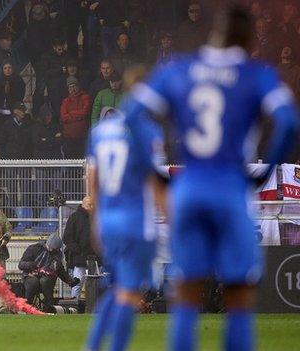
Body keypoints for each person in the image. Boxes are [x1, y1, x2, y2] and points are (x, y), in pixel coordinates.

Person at [122, 5, 299, 350]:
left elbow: (131, 115)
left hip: (189, 190)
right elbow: (288, 121)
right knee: (238, 294)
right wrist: (266, 171)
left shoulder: (178, 69)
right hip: (231, 188)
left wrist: (157, 177)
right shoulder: (255, 73)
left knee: (187, 291)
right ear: (247, 37)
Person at [84, 71, 165, 351]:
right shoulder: (146, 131)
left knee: (118, 289)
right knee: (130, 294)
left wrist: (96, 219)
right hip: (134, 221)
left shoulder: (100, 131)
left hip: (109, 221)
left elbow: (91, 175)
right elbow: (154, 181)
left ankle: (93, 346)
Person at [18, 233, 80, 313]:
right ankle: (27, 307)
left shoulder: (57, 255)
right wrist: (31, 265)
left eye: (55, 249)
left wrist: (70, 281)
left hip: (47, 279)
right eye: (51, 248)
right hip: (30, 276)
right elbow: (21, 265)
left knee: (45, 281)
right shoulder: (33, 249)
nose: (52, 250)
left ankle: (49, 307)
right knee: (33, 282)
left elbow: (60, 270)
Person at [62, 196, 99, 299]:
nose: (91, 207)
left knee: (97, 284)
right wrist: (78, 250)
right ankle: (75, 305)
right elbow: (67, 238)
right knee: (77, 284)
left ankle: (96, 306)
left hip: (96, 258)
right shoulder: (75, 217)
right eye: (89, 204)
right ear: (83, 204)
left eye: (93, 204)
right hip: (80, 258)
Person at [37, 37, 70, 117]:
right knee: (55, 110)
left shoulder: (66, 55)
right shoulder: (46, 57)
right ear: (54, 47)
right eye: (59, 49)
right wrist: (60, 70)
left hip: (65, 87)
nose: (61, 51)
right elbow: (45, 72)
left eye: (62, 49)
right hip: (53, 88)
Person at [0, 60, 25, 136]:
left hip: (13, 113)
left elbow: (19, 97)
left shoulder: (19, 81)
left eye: (9, 68)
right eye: (5, 68)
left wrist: (9, 92)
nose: (7, 70)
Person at [60, 76, 91, 158]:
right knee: (69, 164)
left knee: (81, 163)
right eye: (70, 87)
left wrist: (70, 113)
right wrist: (78, 117)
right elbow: (63, 117)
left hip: (81, 137)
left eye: (74, 86)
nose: (72, 89)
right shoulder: (65, 101)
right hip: (68, 138)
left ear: (78, 86)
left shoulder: (85, 97)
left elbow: (84, 112)